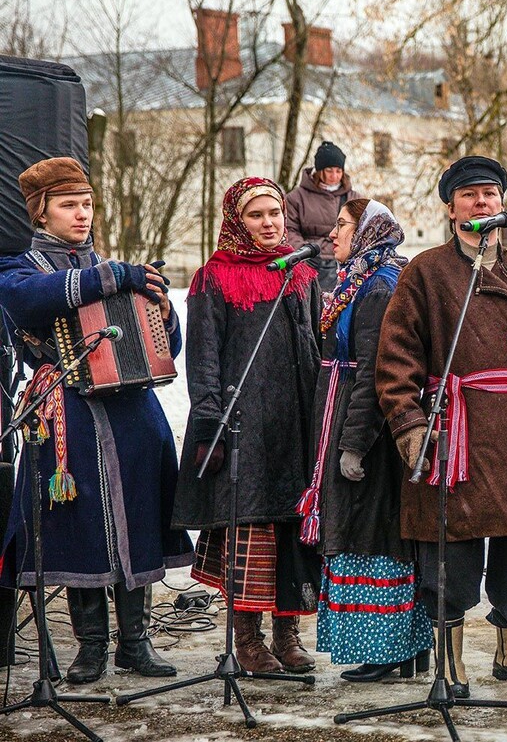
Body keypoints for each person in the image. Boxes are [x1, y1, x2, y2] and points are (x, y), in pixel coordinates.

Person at [0, 157, 193, 683]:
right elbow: (26, 302)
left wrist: (163, 311)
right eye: (69, 205)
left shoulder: (118, 272)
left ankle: (136, 643)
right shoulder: (19, 270)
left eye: (87, 204)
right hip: (65, 415)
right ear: (41, 214)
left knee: (135, 517)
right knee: (80, 521)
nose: (82, 214)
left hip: (133, 414)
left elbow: (163, 348)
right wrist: (113, 276)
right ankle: (91, 649)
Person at [375, 155, 507, 698]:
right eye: (471, 195)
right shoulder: (425, 271)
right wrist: (408, 423)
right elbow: (396, 353)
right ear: (450, 208)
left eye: (491, 194)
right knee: (448, 550)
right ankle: (449, 665)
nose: (483, 203)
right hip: (451, 434)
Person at [173, 176, 323, 674]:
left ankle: (287, 635)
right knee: (250, 530)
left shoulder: (300, 274)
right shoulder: (214, 278)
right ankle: (248, 640)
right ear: (238, 220)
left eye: (275, 214)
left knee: (290, 529)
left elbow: (314, 347)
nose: (269, 223)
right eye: (257, 215)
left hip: (293, 422)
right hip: (243, 426)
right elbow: (204, 357)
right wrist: (210, 419)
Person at [295, 198, 434, 682]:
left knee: (369, 533)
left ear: (369, 231)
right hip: (349, 418)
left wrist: (353, 443)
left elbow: (377, 374)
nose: (333, 234)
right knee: (370, 530)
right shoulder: (361, 280)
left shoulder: (377, 289)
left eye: (342, 225)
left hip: (366, 433)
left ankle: (386, 648)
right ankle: (401, 646)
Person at [285, 141, 362, 291]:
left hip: (345, 263)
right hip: (311, 263)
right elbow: (289, 229)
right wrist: (305, 253)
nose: (334, 176)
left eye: (338, 171)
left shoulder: (354, 198)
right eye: (329, 170)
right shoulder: (296, 198)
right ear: (319, 171)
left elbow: (364, 229)